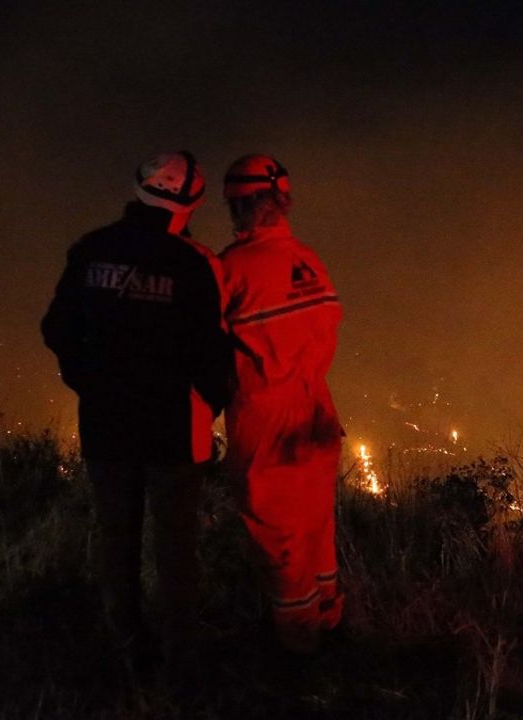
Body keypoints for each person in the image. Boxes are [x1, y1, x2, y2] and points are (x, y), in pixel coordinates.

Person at [41, 151, 229, 678]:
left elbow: (56, 329)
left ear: (138, 188)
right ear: (191, 203)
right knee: (175, 549)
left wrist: (88, 383)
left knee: (115, 537)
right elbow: (212, 353)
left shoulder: (91, 251)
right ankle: (182, 665)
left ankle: (125, 647)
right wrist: (209, 405)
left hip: (105, 424)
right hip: (173, 430)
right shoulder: (193, 264)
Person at [219, 153, 345, 654]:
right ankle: (331, 623)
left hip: (267, 417)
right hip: (317, 411)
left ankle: (298, 656)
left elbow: (208, 345)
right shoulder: (310, 261)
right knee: (316, 526)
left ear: (243, 206)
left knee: (279, 537)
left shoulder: (232, 268)